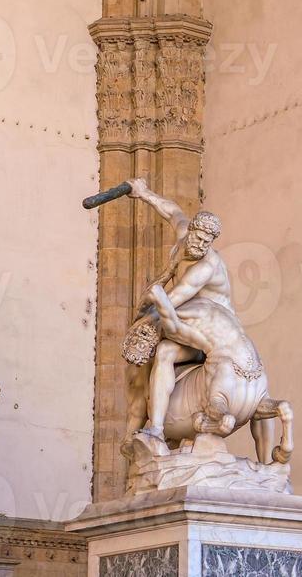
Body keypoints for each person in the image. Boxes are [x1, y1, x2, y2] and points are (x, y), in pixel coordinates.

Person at [120, 179, 235, 444]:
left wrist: (145, 323)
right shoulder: (184, 237)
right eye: (198, 236)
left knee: (165, 352)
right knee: (149, 358)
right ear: (191, 230)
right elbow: (173, 211)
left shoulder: (206, 266)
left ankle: (157, 429)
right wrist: (144, 193)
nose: (200, 244)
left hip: (212, 334)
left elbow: (173, 298)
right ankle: (142, 423)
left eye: (207, 241)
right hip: (186, 321)